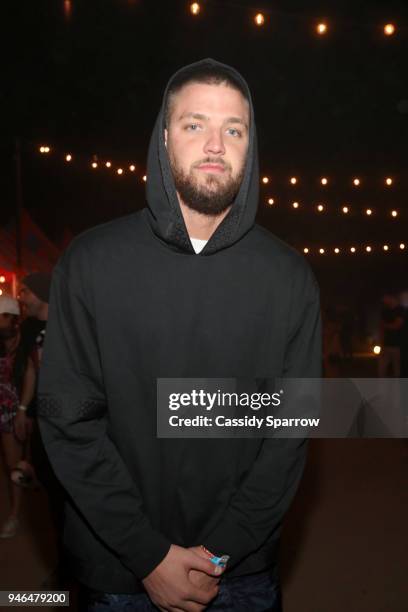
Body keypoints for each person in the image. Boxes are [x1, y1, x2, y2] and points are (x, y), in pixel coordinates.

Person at [37, 59, 321, 611]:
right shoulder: (91, 263)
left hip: (242, 573)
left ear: (250, 145)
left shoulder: (290, 278)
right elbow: (68, 421)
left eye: (233, 129)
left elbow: (291, 432)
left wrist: (220, 552)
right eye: (195, 124)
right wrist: (149, 555)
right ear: (164, 139)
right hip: (120, 570)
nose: (215, 143)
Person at [0, 295, 36, 538]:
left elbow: (31, 376)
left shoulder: (24, 342)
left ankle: (20, 514)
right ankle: (16, 512)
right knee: (12, 465)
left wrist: (23, 409)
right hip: (4, 411)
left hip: (18, 409)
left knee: (23, 464)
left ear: (9, 318)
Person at [378, 294, 404, 377]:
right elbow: (381, 328)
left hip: (397, 345)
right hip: (386, 345)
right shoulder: (385, 311)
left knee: (397, 369)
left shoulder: (400, 310)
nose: (384, 301)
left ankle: (398, 387)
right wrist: (381, 343)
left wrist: (385, 325)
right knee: (382, 369)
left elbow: (397, 325)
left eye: (385, 298)